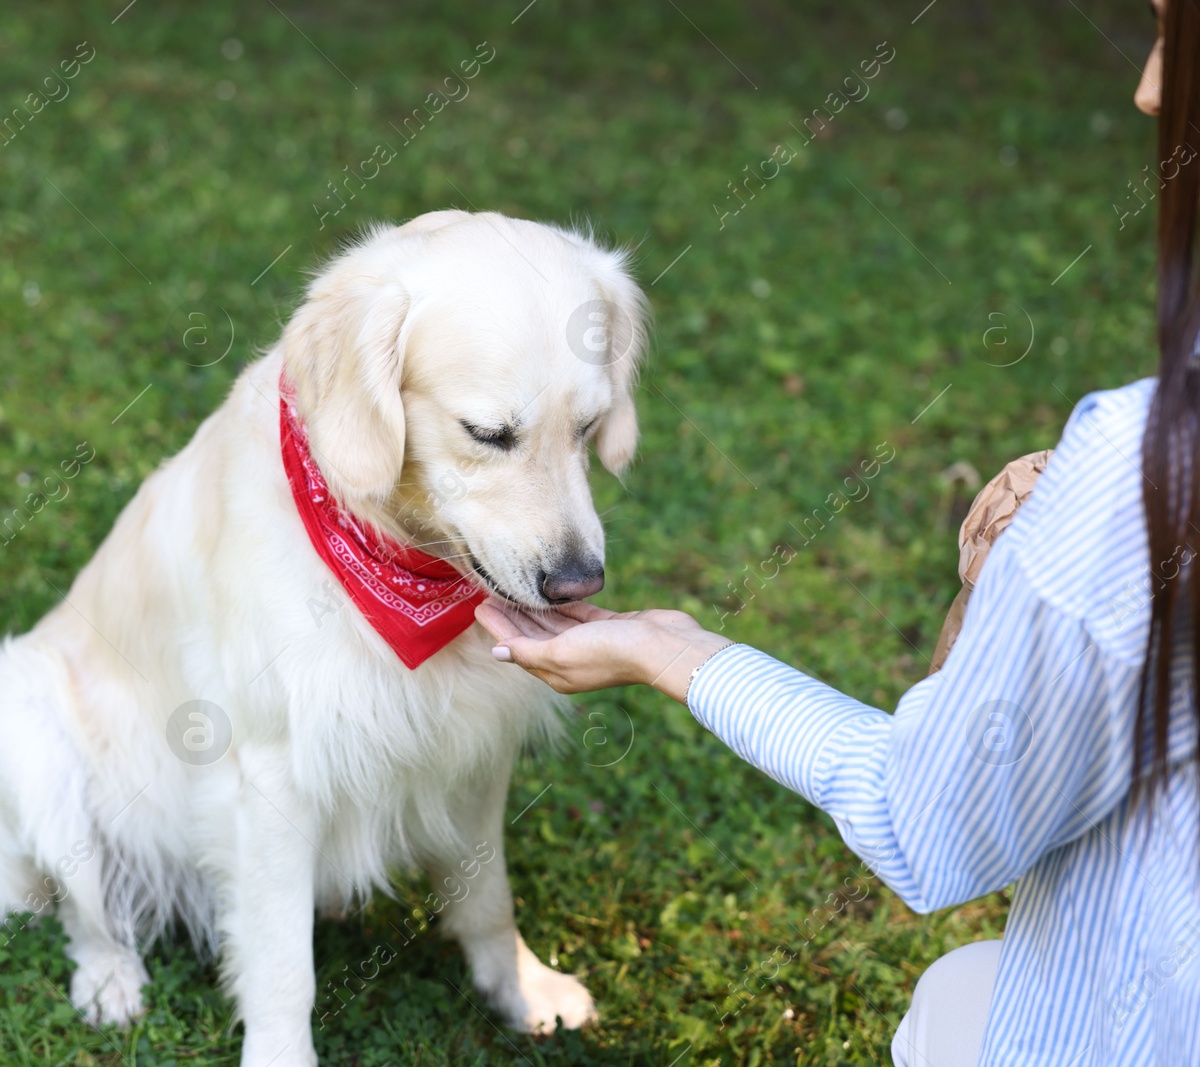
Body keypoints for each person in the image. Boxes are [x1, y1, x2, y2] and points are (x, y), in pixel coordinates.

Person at [475, 4, 1199, 1065]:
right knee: (966, 982)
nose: (1147, 86)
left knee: (957, 1007)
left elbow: (933, 825)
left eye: (1175, 32)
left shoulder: (1146, 468)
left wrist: (668, 646)